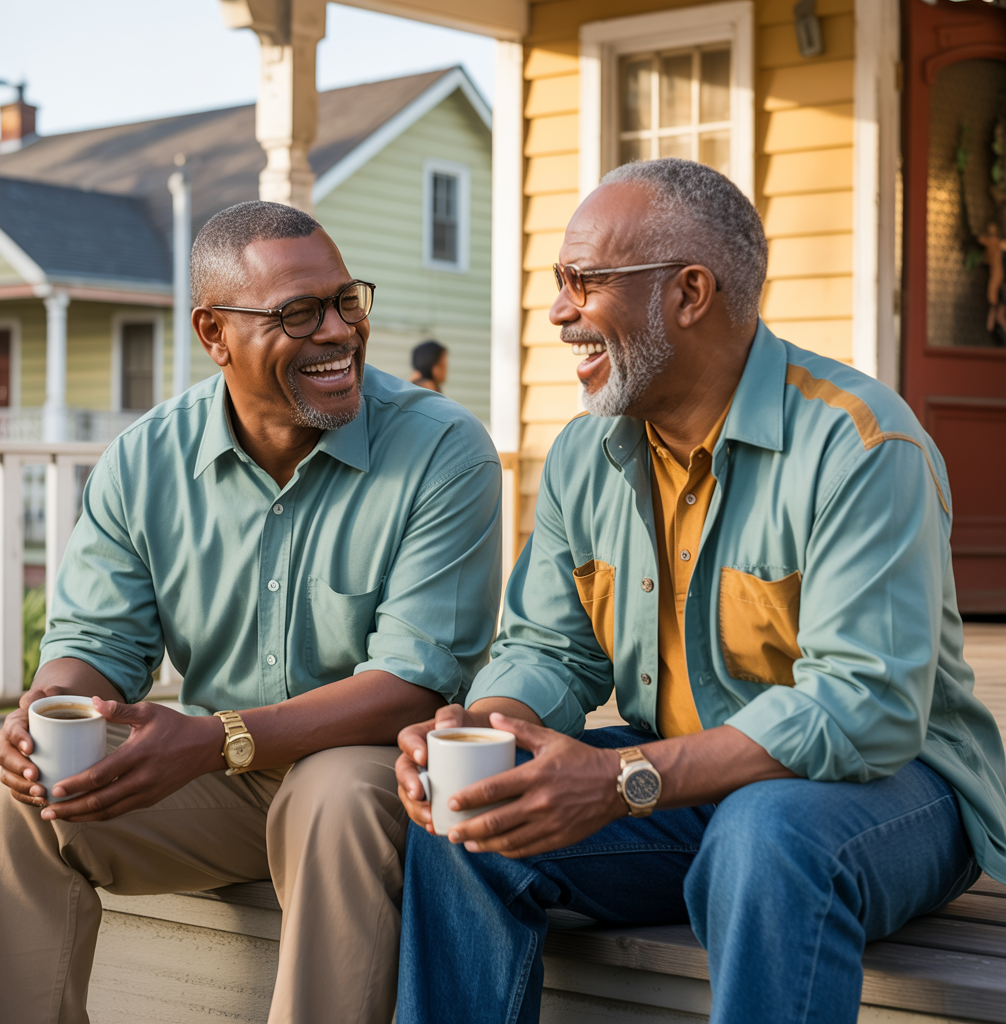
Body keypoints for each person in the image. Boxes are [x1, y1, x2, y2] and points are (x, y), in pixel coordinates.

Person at [393, 158, 1006, 1024]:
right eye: (559, 280)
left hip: (890, 790)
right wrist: (481, 733)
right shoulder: (583, 454)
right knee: (470, 817)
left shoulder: (861, 445)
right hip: (677, 780)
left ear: (688, 293)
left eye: (584, 281)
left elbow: (863, 707)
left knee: (766, 832)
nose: (559, 310)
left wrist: (623, 779)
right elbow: (549, 649)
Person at [0, 201, 501, 1024]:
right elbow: (96, 642)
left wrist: (216, 738)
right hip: (214, 782)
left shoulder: (443, 449)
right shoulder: (144, 460)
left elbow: (413, 682)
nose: (339, 331)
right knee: (6, 799)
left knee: (332, 794)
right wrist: (46, 713)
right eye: (300, 313)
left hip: (372, 769)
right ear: (214, 333)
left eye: (347, 301)